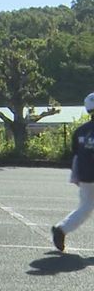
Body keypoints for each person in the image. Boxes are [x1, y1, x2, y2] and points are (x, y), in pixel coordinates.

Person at [52, 92, 94, 252]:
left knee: (85, 207)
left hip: (85, 175)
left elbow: (76, 153)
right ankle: (61, 230)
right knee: (86, 207)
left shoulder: (80, 131)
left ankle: (61, 229)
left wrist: (75, 174)